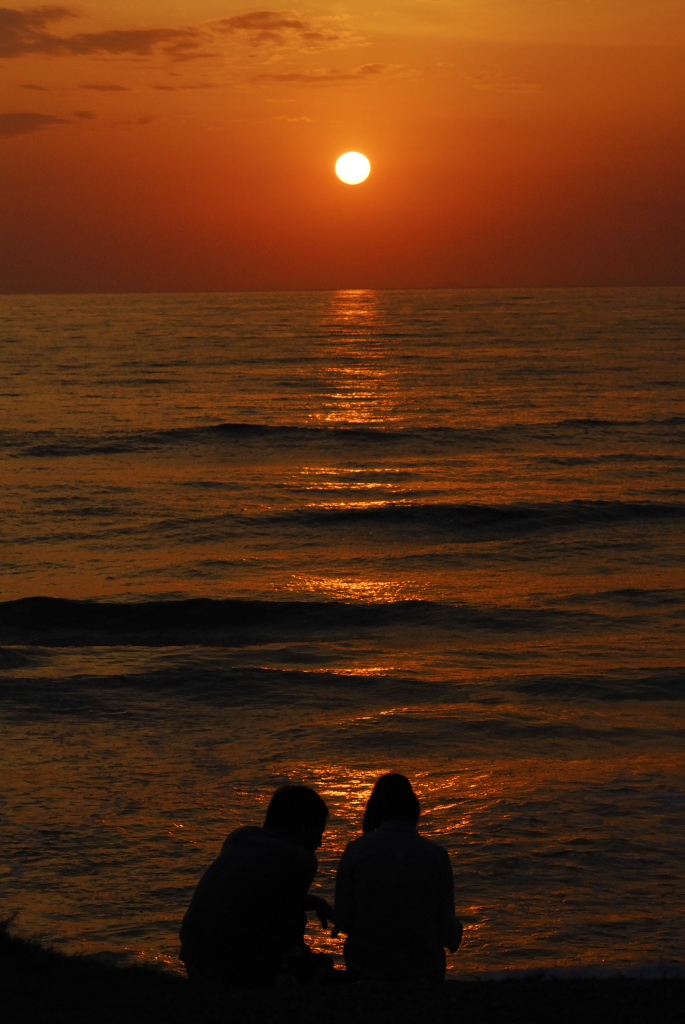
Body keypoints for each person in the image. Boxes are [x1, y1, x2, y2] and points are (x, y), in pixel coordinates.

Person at [179, 785, 334, 988]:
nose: (320, 843)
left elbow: (259, 897)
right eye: (318, 833)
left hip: (194, 956)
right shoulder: (301, 858)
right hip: (231, 969)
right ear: (305, 825)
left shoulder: (240, 837)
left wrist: (316, 902)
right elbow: (287, 922)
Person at [333, 773, 462, 984]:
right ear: (413, 808)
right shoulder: (436, 855)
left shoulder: (356, 850)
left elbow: (344, 920)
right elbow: (446, 926)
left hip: (366, 967)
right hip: (423, 969)